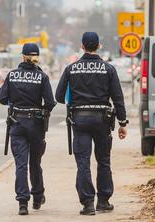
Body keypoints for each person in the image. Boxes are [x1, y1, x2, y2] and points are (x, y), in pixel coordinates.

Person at [55, 32, 128, 215]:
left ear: (82, 46)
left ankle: (87, 203)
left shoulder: (71, 68)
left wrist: (75, 98)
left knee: (83, 162)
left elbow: (58, 97)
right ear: (99, 46)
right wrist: (122, 122)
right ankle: (103, 201)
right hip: (102, 120)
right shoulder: (108, 69)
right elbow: (118, 98)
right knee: (103, 160)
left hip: (79, 120)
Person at [0, 43, 56, 215]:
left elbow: (1, 97)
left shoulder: (12, 75)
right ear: (37, 57)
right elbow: (51, 102)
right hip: (36, 125)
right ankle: (37, 197)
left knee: (21, 164)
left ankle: (23, 202)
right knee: (35, 163)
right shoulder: (42, 77)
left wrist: (13, 103)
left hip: (17, 123)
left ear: (22, 56)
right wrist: (42, 112)